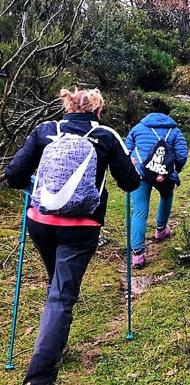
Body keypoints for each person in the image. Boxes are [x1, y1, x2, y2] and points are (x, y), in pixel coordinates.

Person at [5, 87, 141, 385]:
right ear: (98, 110)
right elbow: (130, 183)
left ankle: (52, 342)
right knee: (61, 295)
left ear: (67, 106)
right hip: (81, 226)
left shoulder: (44, 131)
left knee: (58, 285)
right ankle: (39, 377)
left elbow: (13, 175)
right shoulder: (105, 135)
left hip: (41, 221)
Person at [125, 98, 188, 268]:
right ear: (167, 114)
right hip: (165, 174)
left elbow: (126, 150)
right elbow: (182, 154)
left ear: (150, 112)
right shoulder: (175, 131)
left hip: (141, 174)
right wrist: (174, 170)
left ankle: (137, 254)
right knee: (166, 196)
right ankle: (161, 230)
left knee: (139, 211)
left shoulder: (138, 129)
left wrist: (131, 168)